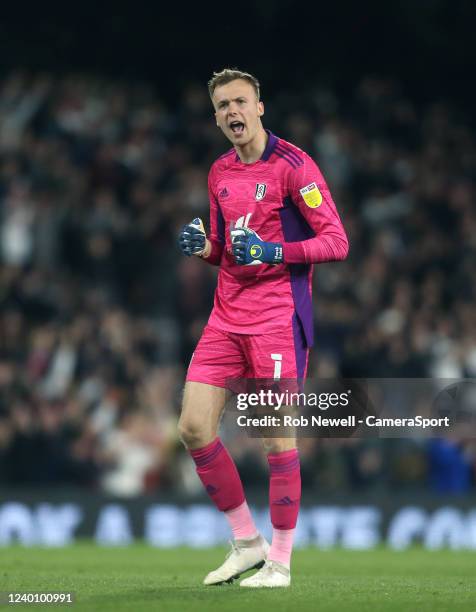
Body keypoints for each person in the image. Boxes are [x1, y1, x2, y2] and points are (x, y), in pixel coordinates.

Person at [178, 68, 349, 588]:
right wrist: (204, 247)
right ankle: (247, 543)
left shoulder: (295, 168)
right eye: (222, 106)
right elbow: (228, 247)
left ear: (259, 107)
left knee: (275, 439)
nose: (232, 112)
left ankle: (279, 562)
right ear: (215, 117)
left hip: (277, 319)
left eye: (240, 102)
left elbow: (336, 242)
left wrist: (274, 251)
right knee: (192, 428)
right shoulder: (219, 173)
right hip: (225, 316)